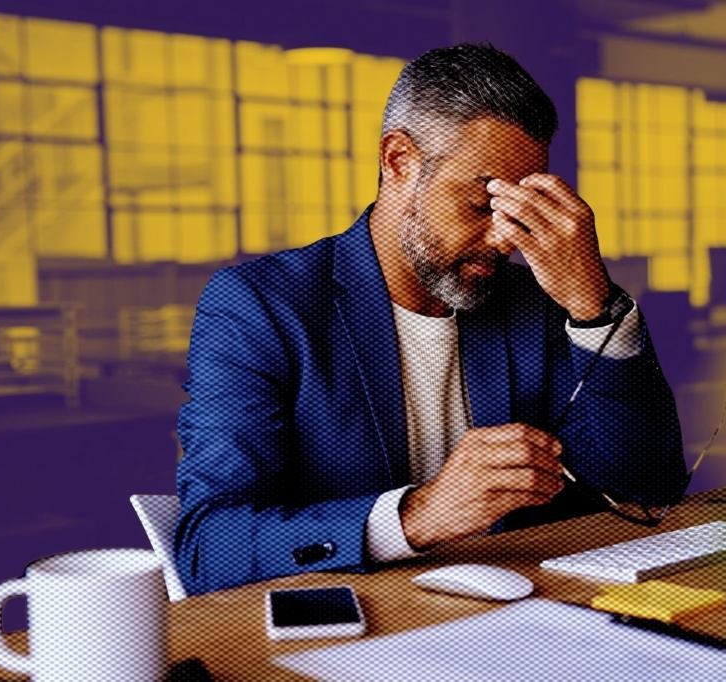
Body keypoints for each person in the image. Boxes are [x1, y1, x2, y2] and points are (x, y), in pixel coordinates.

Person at [175, 43, 686, 595]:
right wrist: (416, 515)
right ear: (399, 160)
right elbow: (209, 548)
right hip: (358, 627)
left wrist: (594, 307)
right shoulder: (261, 308)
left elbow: (647, 492)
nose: (505, 239)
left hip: (526, 616)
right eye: (481, 205)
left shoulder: (536, 301)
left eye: (517, 211)